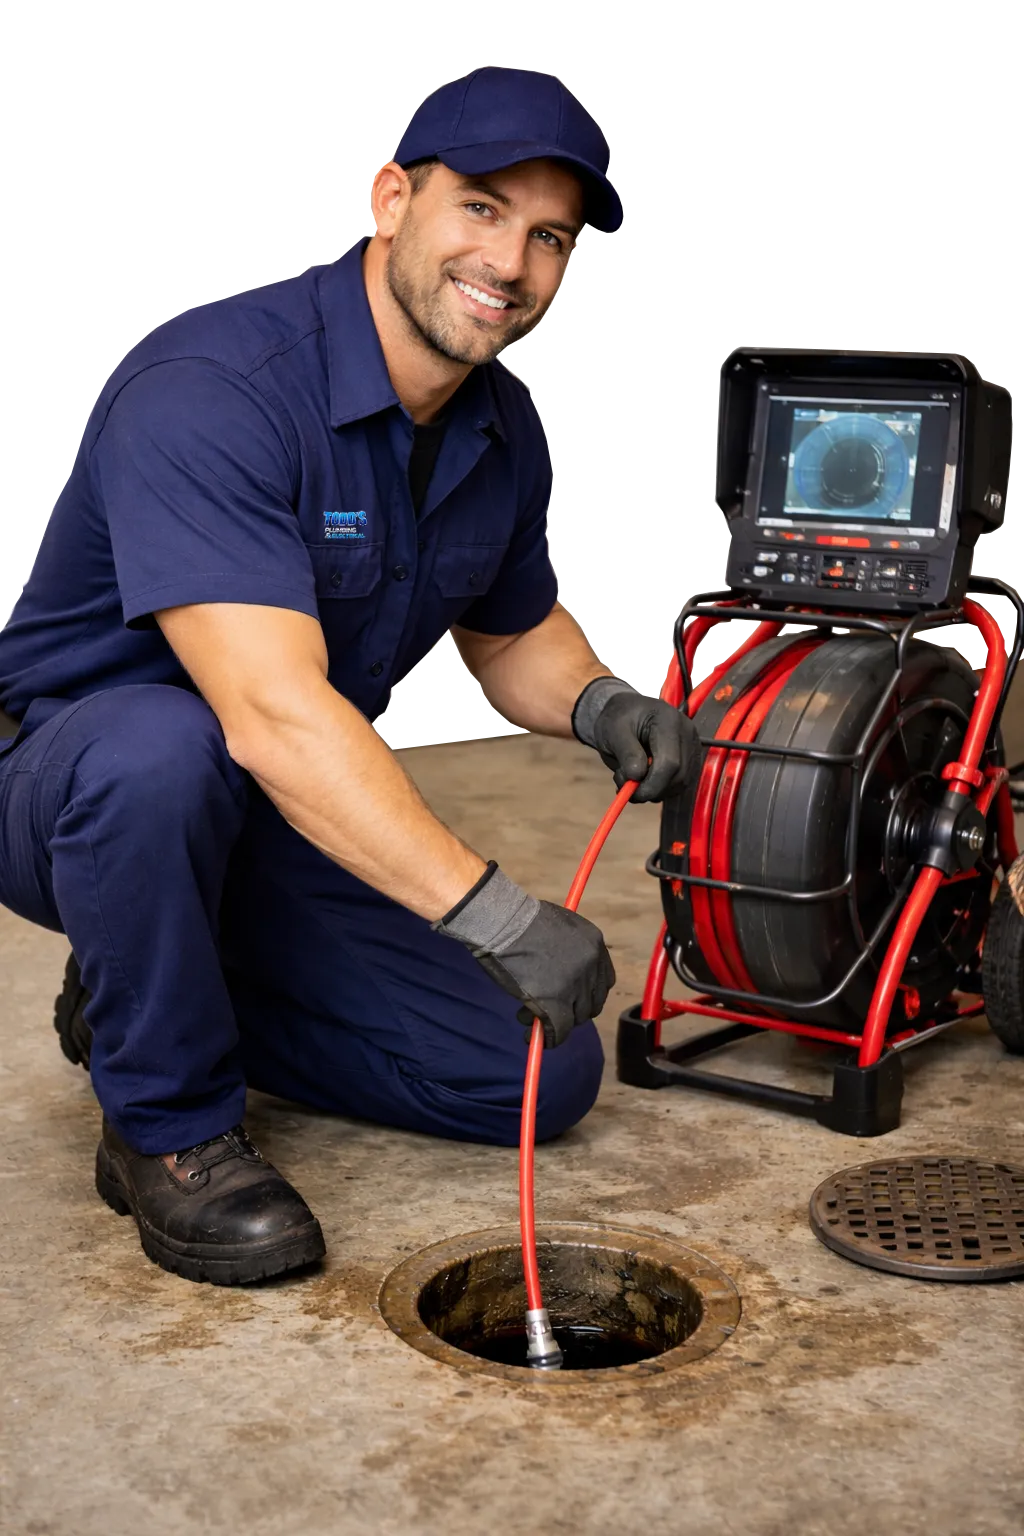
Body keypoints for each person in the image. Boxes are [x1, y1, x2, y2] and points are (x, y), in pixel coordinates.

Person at [0, 66, 700, 1286]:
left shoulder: (499, 427)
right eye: (480, 208)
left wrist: (603, 702)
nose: (513, 262)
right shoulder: (217, 392)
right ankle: (166, 1128)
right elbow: (269, 714)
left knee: (542, 1076)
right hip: (69, 785)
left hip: (265, 816)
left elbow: (511, 631)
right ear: (392, 200)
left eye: (549, 237)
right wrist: (491, 911)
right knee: (164, 746)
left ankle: (142, 989)